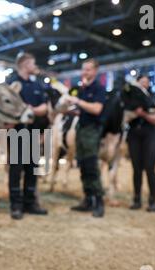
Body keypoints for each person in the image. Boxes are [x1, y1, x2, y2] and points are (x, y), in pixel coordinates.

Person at [7, 52, 49, 220]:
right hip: (17, 132)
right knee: (16, 169)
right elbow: (9, 107)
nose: (35, 67)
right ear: (24, 64)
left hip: (34, 132)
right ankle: (15, 205)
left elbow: (45, 108)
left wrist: (29, 109)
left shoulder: (37, 84)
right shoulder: (11, 83)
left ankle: (30, 203)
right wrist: (30, 110)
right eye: (33, 64)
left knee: (32, 168)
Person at [66, 59, 106, 218]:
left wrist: (78, 101)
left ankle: (99, 201)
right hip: (81, 129)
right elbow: (82, 110)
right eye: (83, 69)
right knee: (82, 165)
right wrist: (70, 110)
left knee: (91, 166)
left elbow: (97, 109)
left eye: (88, 70)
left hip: (91, 131)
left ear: (95, 71)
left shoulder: (98, 89)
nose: (85, 72)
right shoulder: (83, 88)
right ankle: (88, 199)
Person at [126, 75, 155, 212]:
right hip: (134, 134)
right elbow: (125, 118)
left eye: (146, 82)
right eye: (141, 82)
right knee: (136, 169)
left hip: (150, 135)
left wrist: (143, 114)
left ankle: (152, 200)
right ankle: (137, 199)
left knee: (150, 168)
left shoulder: (152, 100)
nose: (144, 84)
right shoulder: (130, 101)